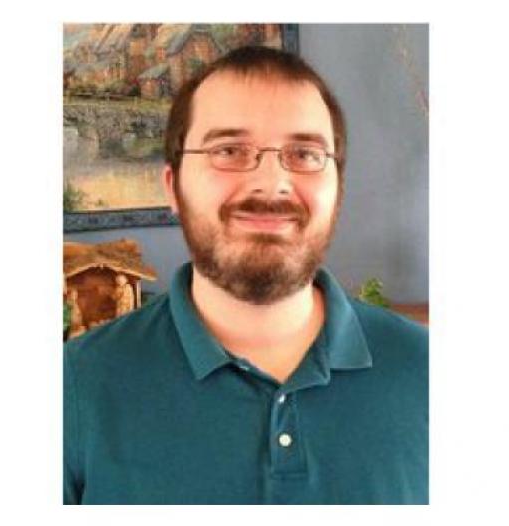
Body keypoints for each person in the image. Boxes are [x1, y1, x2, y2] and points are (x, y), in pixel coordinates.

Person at [64, 45, 428, 505]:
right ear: (174, 187)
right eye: (229, 150)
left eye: (305, 153)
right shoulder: (72, 385)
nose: (271, 184)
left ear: (338, 188)